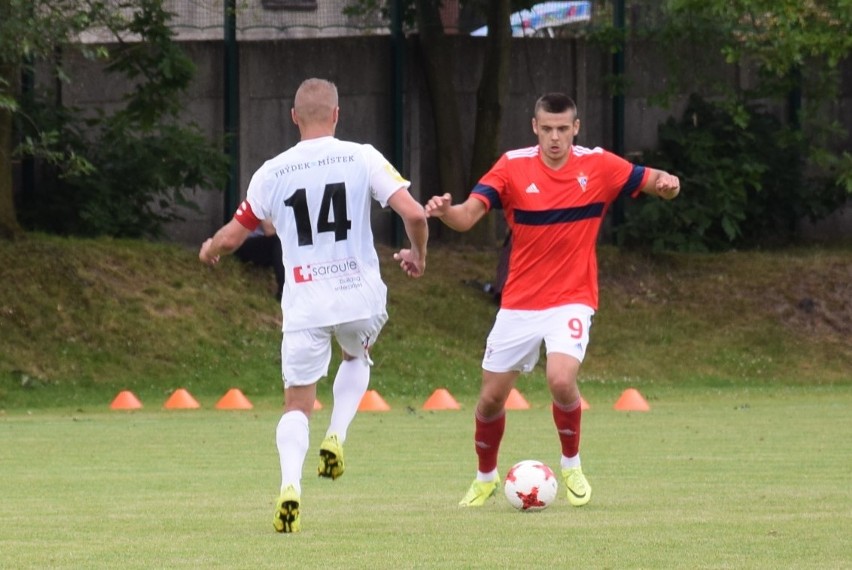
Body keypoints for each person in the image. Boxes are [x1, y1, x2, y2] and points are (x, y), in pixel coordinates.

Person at [425, 92, 680, 508]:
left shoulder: (599, 165)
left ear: (576, 128)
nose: (555, 138)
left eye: (563, 129)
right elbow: (469, 215)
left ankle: (571, 464)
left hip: (572, 298)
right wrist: (445, 212)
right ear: (534, 127)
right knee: (490, 398)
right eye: (547, 129)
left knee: (561, 379)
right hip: (520, 302)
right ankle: (485, 477)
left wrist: (669, 186)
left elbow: (656, 181)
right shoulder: (512, 166)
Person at [199, 78, 428, 533]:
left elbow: (233, 234)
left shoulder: (272, 171)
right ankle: (338, 436)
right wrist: (418, 254)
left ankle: (290, 488)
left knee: (296, 405)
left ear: (293, 117)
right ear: (337, 114)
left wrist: (211, 249)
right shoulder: (362, 156)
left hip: (304, 305)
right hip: (359, 296)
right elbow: (416, 213)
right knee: (357, 355)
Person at [234, 219, 286, 300]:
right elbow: (269, 230)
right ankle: (284, 291)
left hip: (268, 245)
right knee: (279, 240)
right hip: (246, 244)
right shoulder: (260, 206)